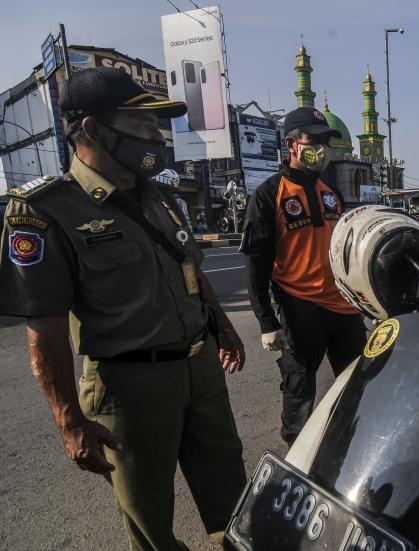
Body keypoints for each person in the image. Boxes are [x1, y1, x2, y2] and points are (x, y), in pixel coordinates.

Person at [0, 67, 247, 550]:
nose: (156, 137)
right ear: (93, 129)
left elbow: (189, 270)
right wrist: (68, 418)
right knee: (150, 523)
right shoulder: (47, 210)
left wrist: (225, 329)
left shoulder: (158, 197)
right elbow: (44, 326)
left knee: (235, 505)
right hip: (129, 390)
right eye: (142, 126)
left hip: (200, 371)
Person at [240, 106, 367, 444]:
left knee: (359, 384)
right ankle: (297, 459)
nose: (322, 148)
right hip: (300, 309)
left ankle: (352, 446)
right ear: (291, 144)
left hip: (345, 308)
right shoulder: (268, 195)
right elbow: (257, 263)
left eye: (326, 141)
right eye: (315, 139)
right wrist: (267, 321)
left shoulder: (332, 194)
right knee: (299, 389)